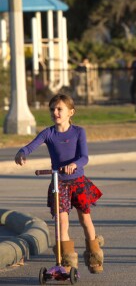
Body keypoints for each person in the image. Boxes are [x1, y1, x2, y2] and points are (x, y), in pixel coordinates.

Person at [14, 94, 104, 274]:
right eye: (52, 109)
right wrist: (22, 153)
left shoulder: (79, 132)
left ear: (71, 112)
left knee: (85, 219)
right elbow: (31, 146)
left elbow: (84, 157)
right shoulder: (49, 133)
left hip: (78, 181)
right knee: (62, 222)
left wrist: (74, 165)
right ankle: (67, 263)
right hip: (59, 182)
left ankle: (95, 255)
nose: (55, 112)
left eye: (59, 109)